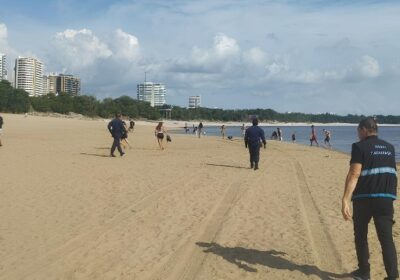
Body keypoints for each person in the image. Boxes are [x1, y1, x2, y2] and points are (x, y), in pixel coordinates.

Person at [341, 117, 398, 280]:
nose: (358, 134)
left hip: (364, 198)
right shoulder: (390, 147)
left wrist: (345, 199)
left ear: (364, 130)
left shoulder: (359, 146)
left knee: (360, 236)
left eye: (358, 131)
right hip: (386, 198)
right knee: (386, 239)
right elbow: (391, 172)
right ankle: (392, 276)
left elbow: (354, 173)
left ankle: (364, 272)